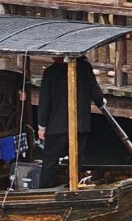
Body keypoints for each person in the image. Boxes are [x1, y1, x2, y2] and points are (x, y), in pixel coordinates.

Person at [36, 57, 105, 189]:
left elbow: (44, 101)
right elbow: (95, 91)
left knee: (50, 160)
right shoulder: (84, 67)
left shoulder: (51, 72)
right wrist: (101, 102)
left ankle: (45, 189)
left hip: (58, 125)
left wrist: (41, 126)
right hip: (80, 124)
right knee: (76, 159)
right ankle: (71, 186)